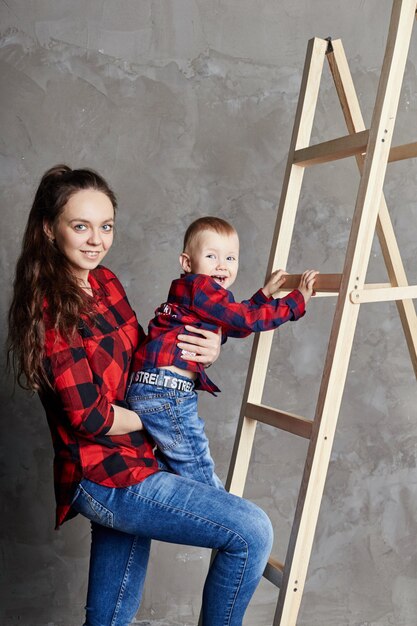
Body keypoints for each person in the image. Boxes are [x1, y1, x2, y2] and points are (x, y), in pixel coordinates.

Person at [7, 165, 274, 626]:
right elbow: (90, 418)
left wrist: (206, 348)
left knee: (110, 620)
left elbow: (146, 355)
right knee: (250, 531)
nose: (96, 239)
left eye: (105, 226)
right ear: (50, 231)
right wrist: (160, 408)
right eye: (80, 226)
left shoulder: (106, 282)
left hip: (139, 458)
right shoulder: (49, 312)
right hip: (104, 475)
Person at [127, 216, 318, 487]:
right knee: (203, 480)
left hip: (152, 388)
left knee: (172, 473)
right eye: (211, 256)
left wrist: (263, 295)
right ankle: (227, 525)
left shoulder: (193, 295)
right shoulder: (200, 287)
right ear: (187, 262)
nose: (222, 265)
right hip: (168, 391)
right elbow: (244, 320)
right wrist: (296, 301)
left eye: (230, 258)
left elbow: (232, 324)